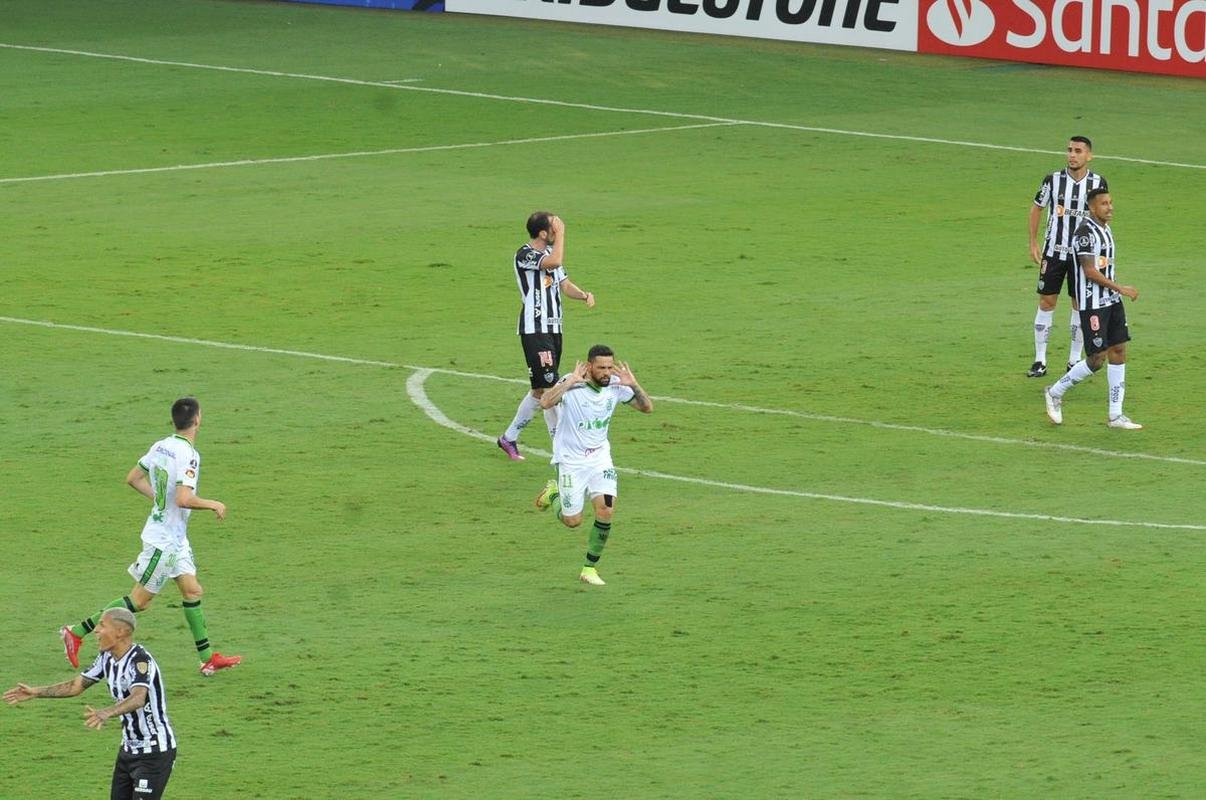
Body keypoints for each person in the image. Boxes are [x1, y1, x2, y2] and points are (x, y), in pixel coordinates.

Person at [60, 397, 242, 676]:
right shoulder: (189, 455)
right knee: (138, 602)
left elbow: (133, 478)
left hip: (175, 538)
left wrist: (159, 500)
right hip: (164, 541)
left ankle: (207, 658)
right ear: (197, 419)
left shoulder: (161, 445)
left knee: (192, 590)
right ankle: (76, 631)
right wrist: (213, 504)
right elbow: (183, 498)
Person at [7, 608, 178, 799]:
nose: (96, 630)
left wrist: (106, 712)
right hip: (128, 750)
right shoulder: (107, 657)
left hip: (154, 752)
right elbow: (76, 686)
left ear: (120, 632)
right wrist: (36, 692)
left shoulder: (139, 660)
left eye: (102, 625)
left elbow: (138, 698)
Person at [532, 345, 653, 585]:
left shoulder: (616, 385)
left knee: (606, 510)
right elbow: (545, 402)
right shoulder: (572, 382)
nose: (607, 372)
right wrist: (567, 383)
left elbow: (647, 408)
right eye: (601, 368)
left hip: (600, 459)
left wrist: (633, 384)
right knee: (572, 521)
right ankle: (553, 493)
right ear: (589, 367)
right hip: (570, 462)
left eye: (610, 367)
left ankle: (589, 568)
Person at [497, 211, 595, 461]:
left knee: (540, 390)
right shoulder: (525, 254)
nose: (557, 232)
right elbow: (553, 262)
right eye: (553, 228)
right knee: (550, 389)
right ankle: (561, 448)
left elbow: (565, 285)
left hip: (554, 328)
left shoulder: (551, 257)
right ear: (543, 233)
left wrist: (584, 295)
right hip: (535, 329)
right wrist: (561, 236)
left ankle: (508, 438)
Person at [1044, 187, 1141, 429]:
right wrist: (1120, 288)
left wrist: (1115, 293)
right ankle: (1055, 392)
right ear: (1092, 207)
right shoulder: (1085, 233)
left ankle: (1115, 415)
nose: (1110, 207)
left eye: (1110, 202)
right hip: (1093, 305)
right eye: (1104, 204)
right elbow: (1089, 272)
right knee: (1097, 359)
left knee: (1118, 350)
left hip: (1111, 303)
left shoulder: (1106, 230)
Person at [1027, 136, 1108, 377]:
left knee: (1078, 304)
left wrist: (1102, 252)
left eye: (1078, 151)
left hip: (1082, 257)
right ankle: (1039, 360)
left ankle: (1074, 360)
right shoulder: (1052, 180)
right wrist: (1032, 241)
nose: (1072, 155)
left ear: (1088, 156)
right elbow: (1037, 207)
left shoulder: (1097, 182)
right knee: (1046, 302)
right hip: (1053, 252)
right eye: (1070, 150)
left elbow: (1103, 217)